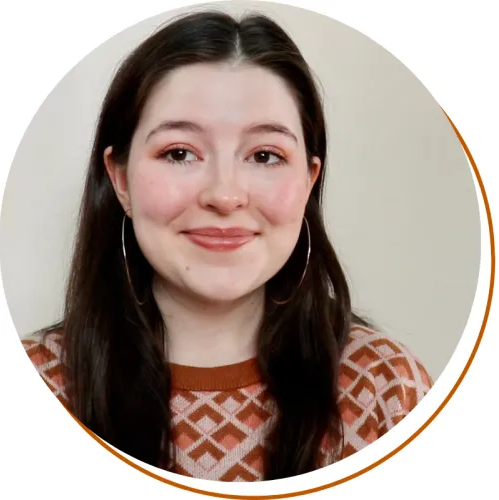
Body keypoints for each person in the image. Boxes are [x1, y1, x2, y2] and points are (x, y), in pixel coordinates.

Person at [21, 10, 432, 481]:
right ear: (121, 180)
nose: (224, 195)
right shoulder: (31, 389)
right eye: (179, 153)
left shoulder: (385, 389)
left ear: (308, 182)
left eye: (265, 155)